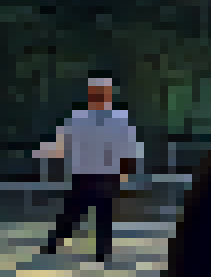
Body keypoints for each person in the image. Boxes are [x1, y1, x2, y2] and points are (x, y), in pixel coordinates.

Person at [33, 76, 143, 263]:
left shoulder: (103, 119)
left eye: (101, 93)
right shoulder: (91, 119)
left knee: (87, 214)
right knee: (86, 214)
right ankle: (89, 251)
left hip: (97, 175)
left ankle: (87, 251)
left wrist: (125, 173)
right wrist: (125, 173)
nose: (99, 97)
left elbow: (126, 150)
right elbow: (64, 143)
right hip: (95, 175)